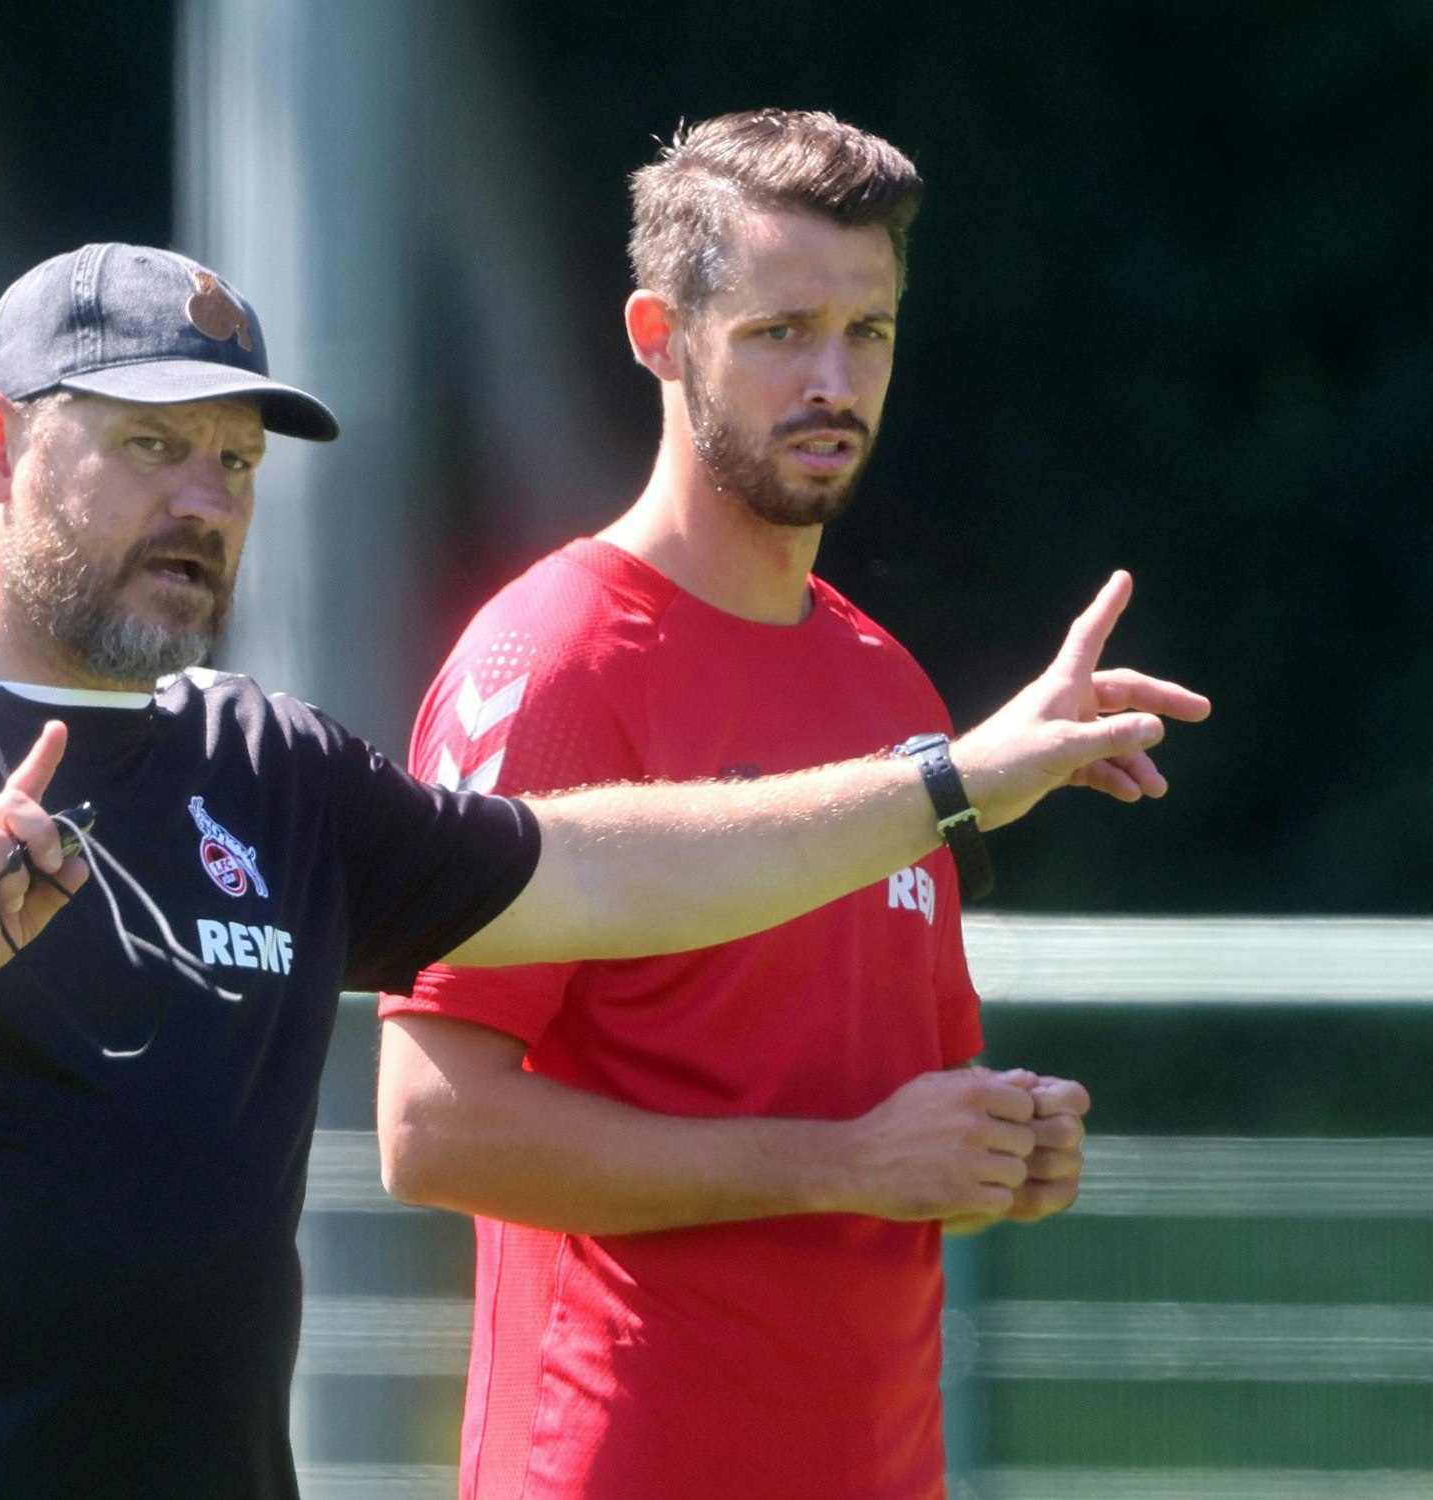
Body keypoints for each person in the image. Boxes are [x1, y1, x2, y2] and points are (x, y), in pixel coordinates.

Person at [0, 241, 1204, 1500]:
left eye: (233, 462)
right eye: (155, 447)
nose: (204, 501)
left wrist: (952, 783)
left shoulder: (270, 765)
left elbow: (603, 873)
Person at [376, 110, 1181, 1499]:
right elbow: (432, 1129)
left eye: (867, 332)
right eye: (779, 331)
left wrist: (994, 1145)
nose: (833, 379)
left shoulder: (891, 686)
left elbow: (879, 1111)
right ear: (658, 334)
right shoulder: (550, 659)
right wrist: (844, 1163)